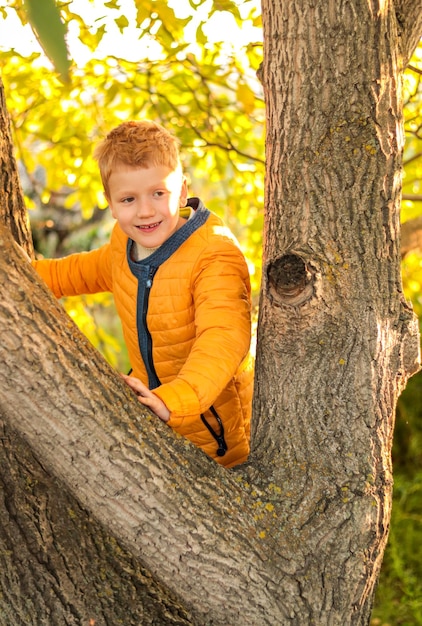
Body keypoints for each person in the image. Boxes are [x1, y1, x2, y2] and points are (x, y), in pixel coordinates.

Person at [32, 120, 254, 468]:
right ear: (110, 202)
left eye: (158, 193)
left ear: (181, 192)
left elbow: (223, 339)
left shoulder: (213, 254)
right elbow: (78, 272)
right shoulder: (125, 245)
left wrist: (174, 401)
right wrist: (22, 277)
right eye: (129, 199)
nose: (146, 211)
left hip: (222, 442)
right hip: (158, 425)